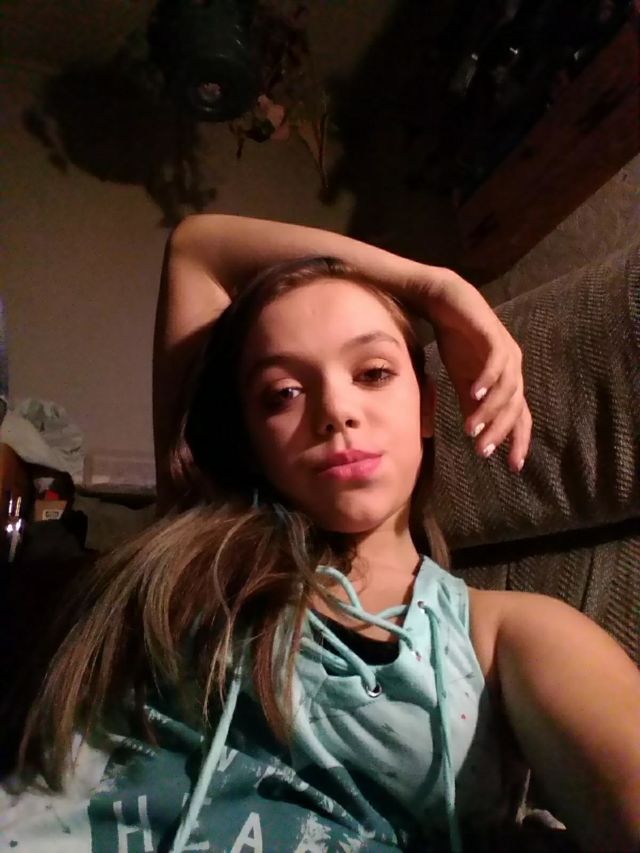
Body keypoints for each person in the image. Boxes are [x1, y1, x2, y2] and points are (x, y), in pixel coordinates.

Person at [2, 216, 639, 853]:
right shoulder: (204, 541)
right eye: (283, 392)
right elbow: (199, 248)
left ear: (426, 406)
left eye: (374, 372)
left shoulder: (502, 638)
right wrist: (439, 289)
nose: (335, 410)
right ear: (252, 442)